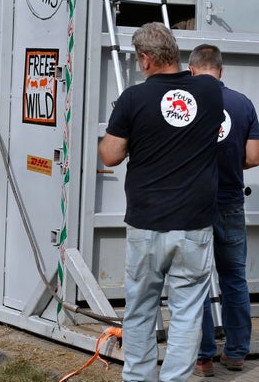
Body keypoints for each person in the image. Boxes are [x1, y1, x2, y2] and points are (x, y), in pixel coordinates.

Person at [98, 22, 223, 382]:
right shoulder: (210, 92)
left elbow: (110, 155)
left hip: (147, 223)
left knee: (139, 310)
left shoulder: (133, 99)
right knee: (186, 313)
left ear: (146, 59)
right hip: (194, 225)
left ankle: (138, 378)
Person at [188, 44, 259, 376]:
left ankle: (203, 356)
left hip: (194, 204)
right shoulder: (243, 104)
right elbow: (254, 157)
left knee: (196, 281)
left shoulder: (184, 103)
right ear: (221, 70)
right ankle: (236, 353)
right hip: (231, 201)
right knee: (234, 279)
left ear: (192, 70)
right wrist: (231, 164)